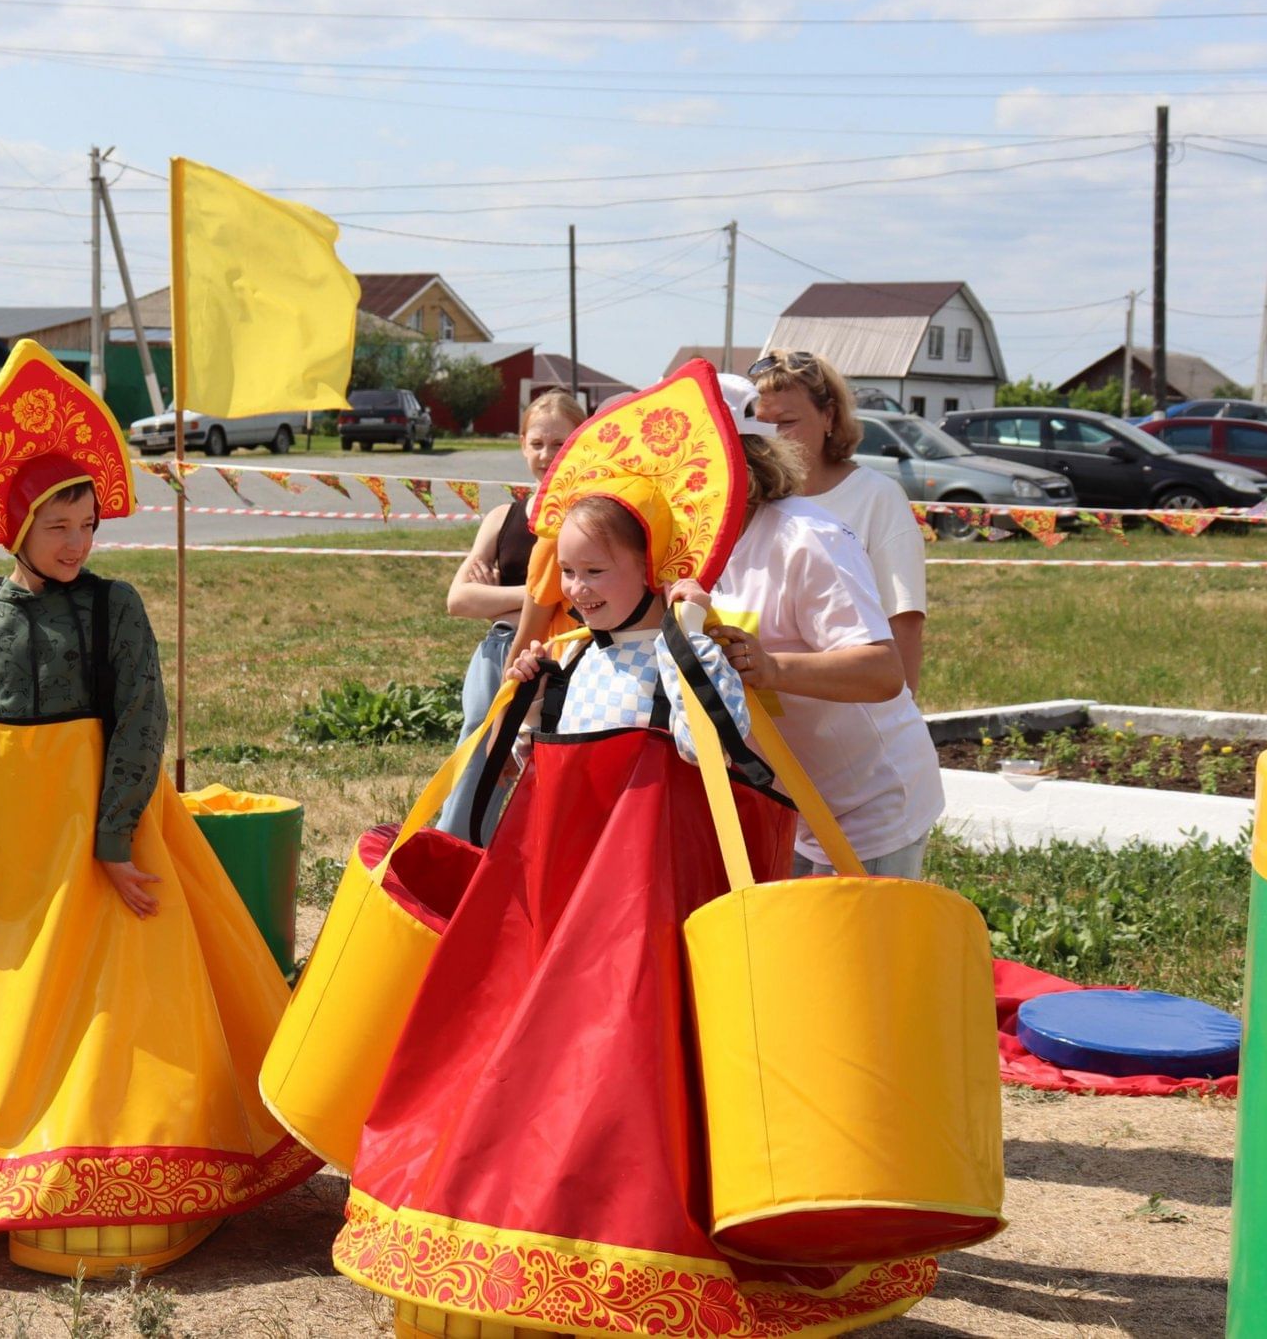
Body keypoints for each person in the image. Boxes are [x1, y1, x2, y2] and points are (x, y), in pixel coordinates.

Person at [332, 368, 935, 1337]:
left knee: (744, 1037)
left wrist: (710, 653)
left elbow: (730, 742)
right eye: (566, 576)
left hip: (705, 871)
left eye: (591, 574)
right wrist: (534, 681)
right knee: (540, 1052)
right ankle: (525, 1215)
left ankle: (806, 1194)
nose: (574, 591)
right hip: (567, 900)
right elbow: (538, 767)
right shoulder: (584, 647)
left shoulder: (793, 547)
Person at [0, 340, 315, 1277]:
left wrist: (111, 838)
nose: (75, 543)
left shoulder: (113, 608)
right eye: (58, 524)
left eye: (87, 524)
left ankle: (110, 1169)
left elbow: (142, 722)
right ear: (17, 520)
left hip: (109, 845)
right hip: (0, 854)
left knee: (115, 1010)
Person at [705, 365, 943, 880]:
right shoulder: (695, 550)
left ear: (739, 457)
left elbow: (883, 673)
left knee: (861, 960)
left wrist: (772, 668)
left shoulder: (806, 538)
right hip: (789, 798)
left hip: (869, 806)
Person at [434, 389, 581, 842]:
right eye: (537, 443)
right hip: (501, 647)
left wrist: (498, 593)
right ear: (521, 444)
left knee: (547, 758)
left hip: (562, 654)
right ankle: (456, 844)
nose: (547, 454)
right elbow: (458, 600)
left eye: (560, 443)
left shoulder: (588, 518)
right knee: (481, 737)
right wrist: (540, 595)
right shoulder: (502, 517)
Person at [750, 350, 929, 691]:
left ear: (829, 417)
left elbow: (903, 622)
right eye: (760, 423)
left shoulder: (877, 497)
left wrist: (897, 720)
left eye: (786, 422)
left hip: (854, 719)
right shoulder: (750, 505)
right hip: (768, 726)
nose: (771, 437)